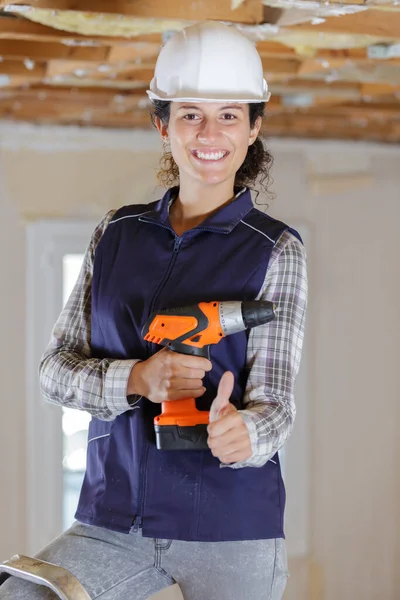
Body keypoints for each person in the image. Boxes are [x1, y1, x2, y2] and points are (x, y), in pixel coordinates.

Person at [0, 21, 307, 600]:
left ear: (253, 128)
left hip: (230, 528)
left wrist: (247, 433)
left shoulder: (276, 248)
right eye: (189, 114)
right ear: (163, 125)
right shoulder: (116, 234)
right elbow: (53, 372)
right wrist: (137, 377)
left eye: (229, 115)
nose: (208, 133)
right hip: (112, 519)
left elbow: (277, 404)